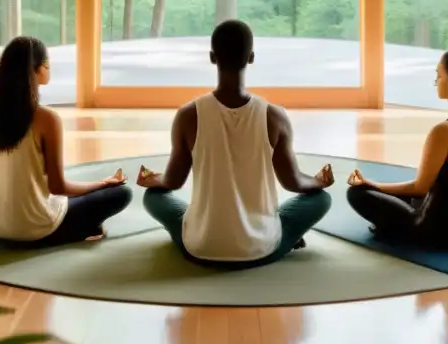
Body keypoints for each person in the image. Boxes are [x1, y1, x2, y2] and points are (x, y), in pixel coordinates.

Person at [137, 19, 334, 269]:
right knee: (321, 200)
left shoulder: (188, 115)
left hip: (200, 248)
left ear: (212, 57)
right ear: (251, 57)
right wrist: (318, 181)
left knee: (153, 197)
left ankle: (201, 229)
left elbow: (173, 182)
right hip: (260, 249)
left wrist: (154, 180)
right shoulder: (275, 116)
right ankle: (285, 236)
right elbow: (293, 183)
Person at [0, 36, 131, 246]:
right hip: (34, 229)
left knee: (67, 200)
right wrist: (103, 183)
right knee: (121, 193)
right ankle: (77, 230)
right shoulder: (46, 118)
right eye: (47, 65)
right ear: (39, 69)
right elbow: (58, 187)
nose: (48, 69)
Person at [346, 48, 448, 250]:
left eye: (439, 75)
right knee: (411, 192)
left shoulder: (445, 131)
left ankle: (395, 231)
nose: (436, 81)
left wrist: (372, 184)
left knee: (357, 193)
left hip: (444, 231)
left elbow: (420, 188)